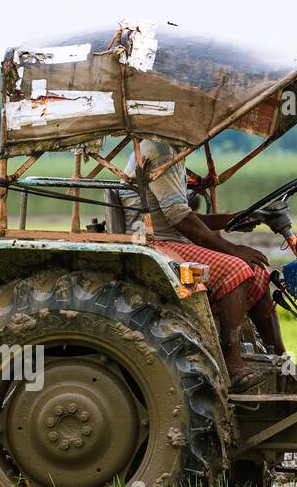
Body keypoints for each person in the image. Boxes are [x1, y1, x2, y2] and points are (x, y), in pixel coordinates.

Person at [119, 140, 286, 390]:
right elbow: (179, 218)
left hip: (170, 238)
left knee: (258, 271)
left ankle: (283, 362)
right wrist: (233, 249)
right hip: (158, 242)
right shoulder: (160, 150)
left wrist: (230, 220)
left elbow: (180, 212)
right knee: (236, 268)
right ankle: (233, 364)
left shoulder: (169, 151)